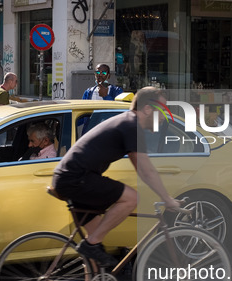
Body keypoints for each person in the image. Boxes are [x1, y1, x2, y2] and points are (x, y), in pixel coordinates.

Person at [53, 86, 180, 267]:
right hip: (76, 178)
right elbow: (145, 171)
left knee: (96, 241)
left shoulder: (127, 122)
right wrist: (167, 199)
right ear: (147, 109)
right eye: (162, 111)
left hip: (70, 178)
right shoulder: (131, 126)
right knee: (131, 198)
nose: (163, 117)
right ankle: (90, 245)